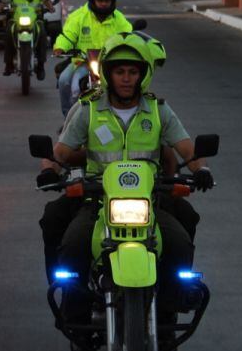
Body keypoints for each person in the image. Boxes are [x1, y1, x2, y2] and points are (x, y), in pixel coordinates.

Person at [38, 32, 214, 332]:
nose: (126, 78)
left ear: (143, 75)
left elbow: (187, 148)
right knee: (72, 244)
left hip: (150, 200)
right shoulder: (88, 108)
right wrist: (50, 170)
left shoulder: (158, 110)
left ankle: (170, 310)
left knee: (180, 241)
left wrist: (201, 169)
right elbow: (60, 152)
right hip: (97, 200)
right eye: (119, 71)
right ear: (108, 73)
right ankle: (74, 311)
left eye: (133, 71)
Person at [53, 0, 131, 116]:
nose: (103, 4)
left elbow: (128, 36)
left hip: (110, 63)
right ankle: (69, 120)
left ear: (112, 1)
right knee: (66, 81)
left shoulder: (119, 19)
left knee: (132, 83)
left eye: (107, 0)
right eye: (100, 0)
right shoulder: (78, 17)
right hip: (82, 62)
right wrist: (60, 47)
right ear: (93, 0)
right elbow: (68, 36)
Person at [0, 0, 54, 79]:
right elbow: (4, 1)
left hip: (35, 18)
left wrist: (51, 8)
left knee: (43, 33)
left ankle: (40, 65)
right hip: (16, 19)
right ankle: (8, 64)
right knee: (8, 31)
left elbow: (46, 0)